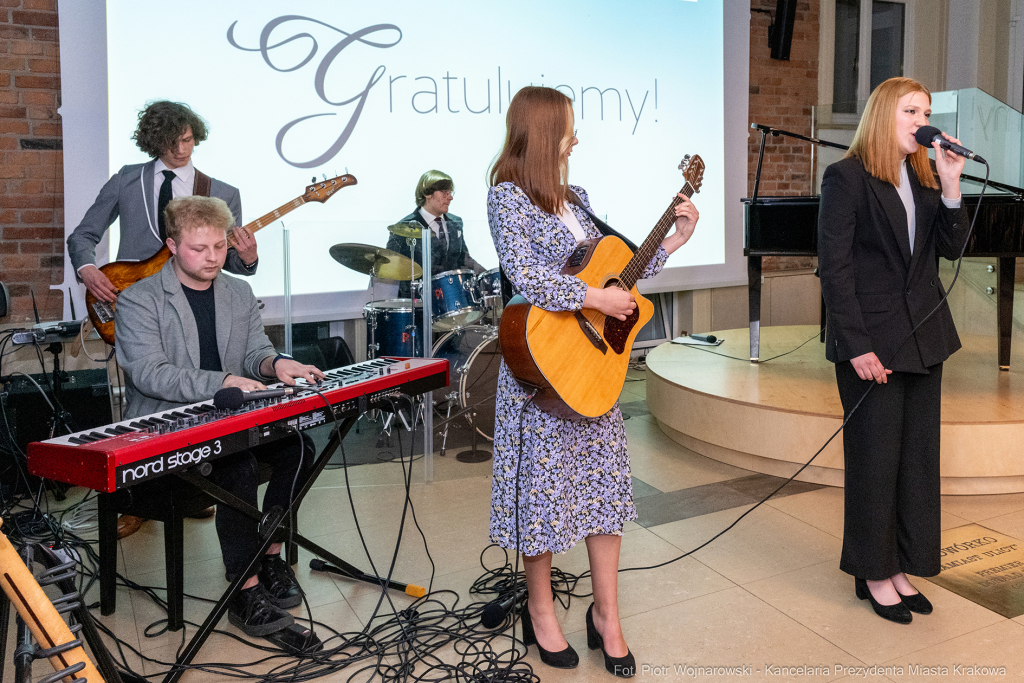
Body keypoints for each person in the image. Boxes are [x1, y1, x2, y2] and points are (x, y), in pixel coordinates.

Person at [486, 86, 698, 678]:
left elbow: (617, 276)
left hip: (592, 373)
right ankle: (539, 609)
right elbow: (527, 276)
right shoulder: (506, 199)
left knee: (604, 498)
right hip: (545, 371)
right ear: (541, 132)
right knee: (543, 500)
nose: (575, 139)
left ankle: (609, 615)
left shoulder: (577, 199)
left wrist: (672, 242)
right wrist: (591, 295)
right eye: (568, 128)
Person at [114, 195, 325, 637]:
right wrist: (223, 381)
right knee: (238, 464)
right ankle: (244, 589)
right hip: (166, 427)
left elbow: (255, 353)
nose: (213, 258)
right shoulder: (139, 300)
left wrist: (276, 364)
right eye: (199, 249)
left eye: (219, 247)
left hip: (232, 418)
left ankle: (269, 556)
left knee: (300, 447)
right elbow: (152, 374)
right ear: (172, 246)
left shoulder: (238, 290)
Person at [817, 77, 969, 624]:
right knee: (875, 463)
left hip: (924, 338)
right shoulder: (846, 178)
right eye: (911, 110)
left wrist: (952, 186)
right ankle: (873, 572)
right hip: (872, 345)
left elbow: (950, 251)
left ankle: (901, 564)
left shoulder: (925, 177)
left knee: (914, 463)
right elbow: (833, 271)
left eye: (926, 110)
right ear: (885, 115)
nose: (921, 120)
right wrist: (856, 346)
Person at [68, 100, 259, 303]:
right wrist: (86, 269)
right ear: (155, 142)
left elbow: (226, 259)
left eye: (187, 140)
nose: (180, 150)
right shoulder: (126, 180)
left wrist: (248, 259)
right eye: (171, 143)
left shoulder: (223, 193)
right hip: (133, 295)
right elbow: (83, 235)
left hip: (194, 301)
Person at [385, 170, 485, 298]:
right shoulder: (402, 228)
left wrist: (491, 276)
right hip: (417, 305)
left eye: (450, 193)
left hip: (451, 301)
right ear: (427, 193)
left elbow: (464, 260)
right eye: (444, 193)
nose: (450, 197)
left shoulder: (456, 223)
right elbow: (389, 269)